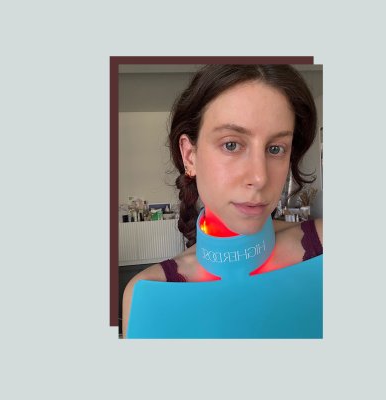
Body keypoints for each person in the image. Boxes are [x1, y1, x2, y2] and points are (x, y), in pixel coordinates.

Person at [122, 64, 323, 338]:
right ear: (190, 156)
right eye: (231, 145)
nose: (259, 177)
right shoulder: (147, 294)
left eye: (276, 148)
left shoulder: (324, 245)